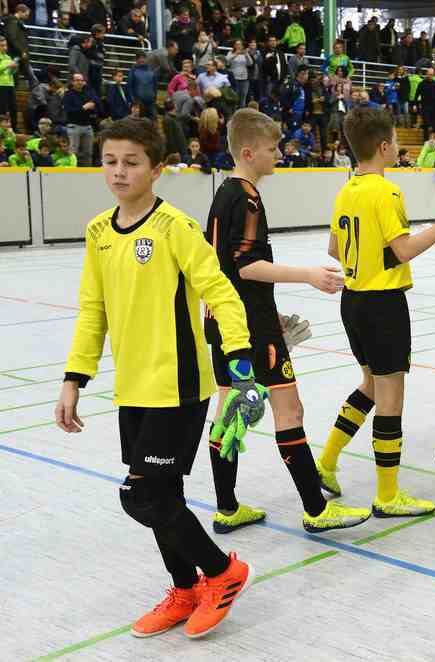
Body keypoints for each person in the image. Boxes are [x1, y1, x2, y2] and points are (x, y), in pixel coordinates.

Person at [55, 117, 258, 640]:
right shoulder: (99, 231)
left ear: (157, 169)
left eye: (131, 162)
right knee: (164, 496)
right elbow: (92, 310)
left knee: (142, 497)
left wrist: (239, 373)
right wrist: (74, 377)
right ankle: (186, 590)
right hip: (134, 390)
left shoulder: (175, 228)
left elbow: (223, 294)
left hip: (179, 388)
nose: (119, 172)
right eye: (109, 161)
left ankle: (222, 573)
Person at [203, 108, 370, 534]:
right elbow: (245, 266)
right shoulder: (248, 197)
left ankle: (226, 507)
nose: (278, 154)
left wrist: (264, 307)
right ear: (248, 152)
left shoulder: (224, 195)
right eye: (272, 148)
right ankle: (316, 510)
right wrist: (309, 276)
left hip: (227, 320)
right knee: (288, 407)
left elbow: (222, 267)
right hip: (251, 328)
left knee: (232, 408)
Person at [317, 107, 435, 516]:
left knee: (371, 386)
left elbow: (334, 250)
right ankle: (388, 495)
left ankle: (326, 462)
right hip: (382, 304)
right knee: (391, 397)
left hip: (353, 301)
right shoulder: (385, 192)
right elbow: (404, 249)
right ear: (385, 146)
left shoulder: (348, 189)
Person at [64, 72, 99, 166]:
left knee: (88, 153)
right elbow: (69, 111)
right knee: (73, 153)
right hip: (74, 126)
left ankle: (86, 174)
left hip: (87, 126)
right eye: (77, 80)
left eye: (81, 80)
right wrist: (83, 108)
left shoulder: (88, 93)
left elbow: (96, 103)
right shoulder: (68, 94)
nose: (80, 82)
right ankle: (72, 173)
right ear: (72, 82)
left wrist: (91, 107)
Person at [0, 37, 15, 125]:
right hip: (1, 85)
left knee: (13, 108)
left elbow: (11, 73)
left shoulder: (8, 57)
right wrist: (7, 66)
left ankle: (12, 128)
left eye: (5, 45)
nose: (5, 48)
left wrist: (14, 68)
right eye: (2, 46)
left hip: (10, 84)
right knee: (2, 110)